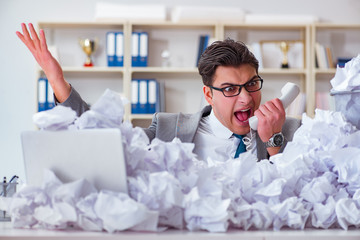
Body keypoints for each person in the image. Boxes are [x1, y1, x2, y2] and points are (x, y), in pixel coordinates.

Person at [16, 23, 301, 161]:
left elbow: (301, 197)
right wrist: (56, 80)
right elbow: (104, 138)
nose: (246, 98)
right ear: (208, 94)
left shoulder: (290, 131)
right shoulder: (167, 128)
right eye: (229, 89)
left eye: (252, 84)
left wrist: (273, 141)